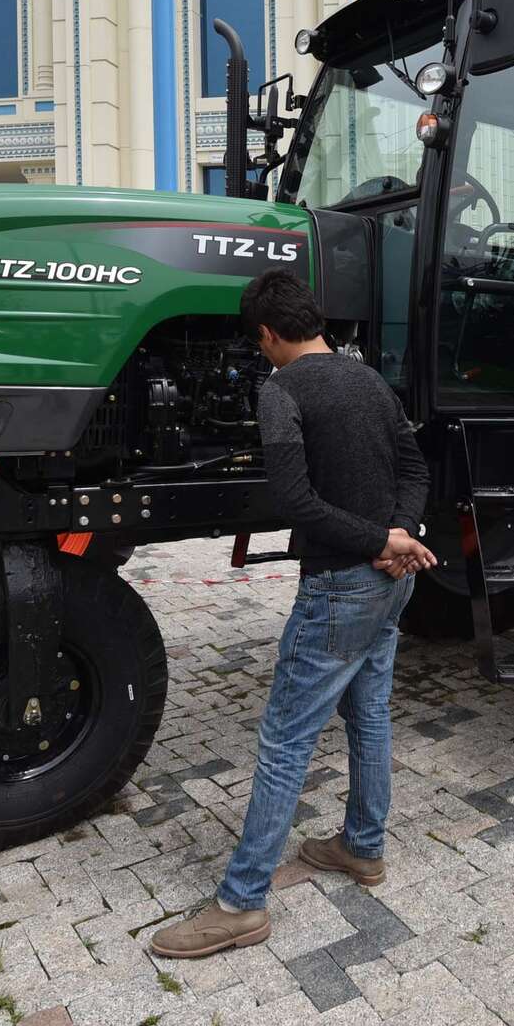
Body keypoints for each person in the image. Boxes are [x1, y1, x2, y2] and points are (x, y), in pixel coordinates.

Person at [150, 269, 438, 959]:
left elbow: (293, 502)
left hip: (342, 586)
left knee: (285, 741)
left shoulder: (279, 391)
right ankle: (361, 849)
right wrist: (397, 536)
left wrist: (379, 542)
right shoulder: (369, 380)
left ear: (270, 334)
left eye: (262, 344)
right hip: (391, 581)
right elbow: (415, 470)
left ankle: (242, 902)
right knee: (368, 715)